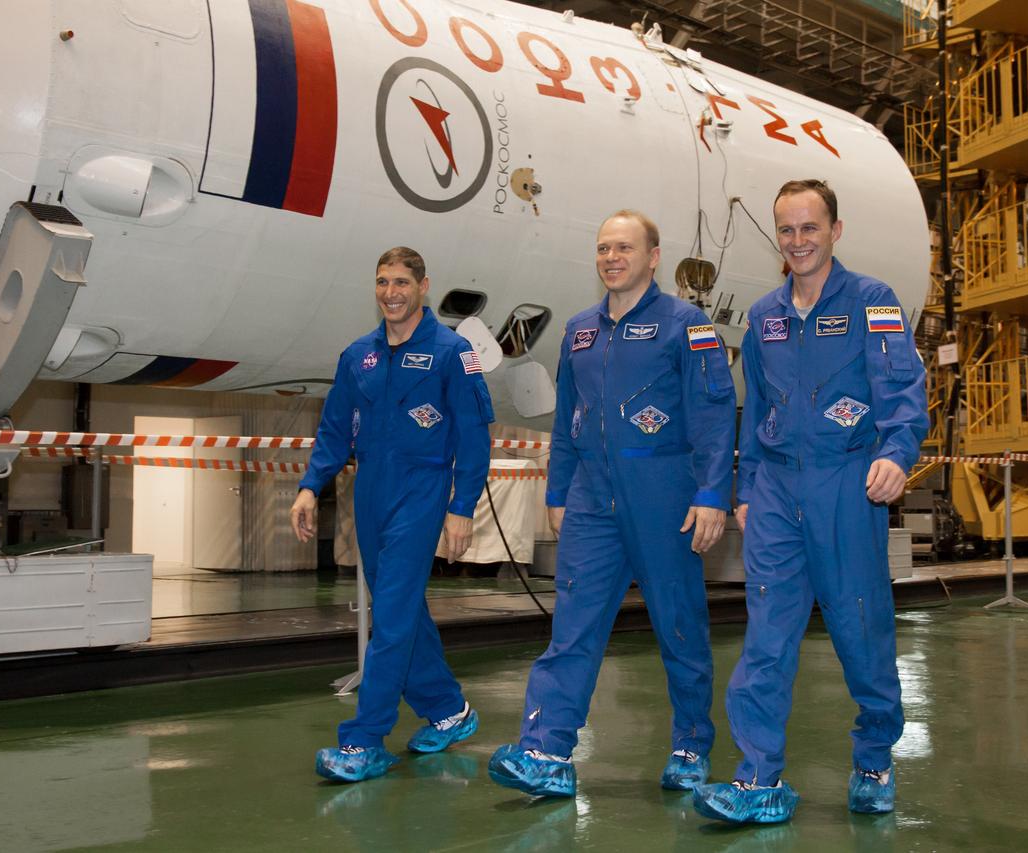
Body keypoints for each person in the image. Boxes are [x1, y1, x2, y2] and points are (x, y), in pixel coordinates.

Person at [692, 180, 928, 824]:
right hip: (774, 492)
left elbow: (904, 388)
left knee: (859, 629)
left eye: (810, 228)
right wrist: (745, 486)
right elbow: (757, 405)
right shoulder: (766, 314)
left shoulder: (873, 302)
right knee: (767, 635)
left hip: (846, 485)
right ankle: (758, 776)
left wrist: (896, 452)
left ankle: (875, 757)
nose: (798, 241)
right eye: (788, 230)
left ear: (835, 230)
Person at [488, 210, 737, 798]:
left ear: (654, 257)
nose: (612, 258)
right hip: (592, 501)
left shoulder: (687, 325)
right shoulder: (579, 331)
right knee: (571, 629)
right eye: (603, 248)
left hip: (665, 500)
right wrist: (557, 491)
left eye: (624, 248)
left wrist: (710, 494)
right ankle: (546, 750)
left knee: (679, 626)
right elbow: (569, 422)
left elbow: (713, 414)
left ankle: (690, 743)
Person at [294, 247, 495, 783]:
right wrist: (311, 486)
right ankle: (450, 711)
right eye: (382, 282)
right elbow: (336, 427)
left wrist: (460, 508)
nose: (391, 293)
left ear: (423, 286)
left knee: (392, 616)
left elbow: (475, 440)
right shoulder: (358, 354)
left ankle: (363, 740)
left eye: (402, 282)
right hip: (371, 489)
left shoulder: (454, 353)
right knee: (399, 608)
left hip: (423, 487)